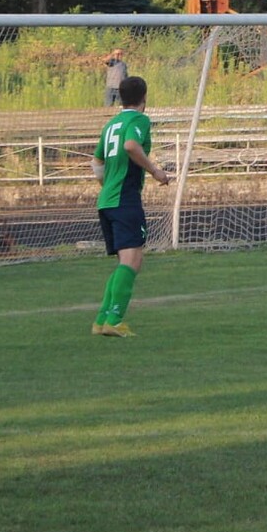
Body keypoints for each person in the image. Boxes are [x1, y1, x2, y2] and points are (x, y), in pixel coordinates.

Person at [91, 75, 171, 338]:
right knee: (133, 260)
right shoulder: (139, 120)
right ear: (144, 98)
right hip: (125, 198)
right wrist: (155, 171)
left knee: (126, 262)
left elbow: (96, 163)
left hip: (107, 200)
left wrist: (107, 184)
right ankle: (114, 321)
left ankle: (102, 320)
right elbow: (130, 145)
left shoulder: (111, 124)